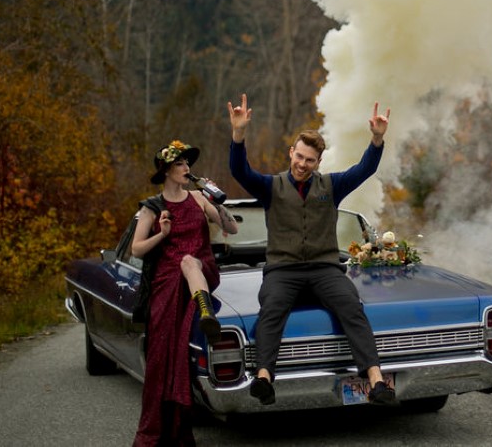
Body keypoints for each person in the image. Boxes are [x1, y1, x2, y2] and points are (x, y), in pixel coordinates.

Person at [226, 93, 398, 407]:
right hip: (283, 270)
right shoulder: (271, 187)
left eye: (309, 160)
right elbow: (240, 172)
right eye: (299, 156)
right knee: (271, 308)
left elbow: (364, 169)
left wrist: (376, 140)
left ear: (318, 162)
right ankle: (264, 378)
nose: (302, 164)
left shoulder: (331, 186)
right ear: (291, 153)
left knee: (351, 305)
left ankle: (376, 381)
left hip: (324, 269)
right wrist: (239, 134)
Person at [131, 140, 239, 447]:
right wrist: (162, 234)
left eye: (187, 163)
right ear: (166, 170)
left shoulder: (198, 197)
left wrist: (216, 201)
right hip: (166, 285)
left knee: (190, 261)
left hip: (201, 271)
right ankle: (163, 428)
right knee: (163, 358)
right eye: (180, 163)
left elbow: (232, 229)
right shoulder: (151, 207)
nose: (186, 168)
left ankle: (205, 311)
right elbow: (136, 249)